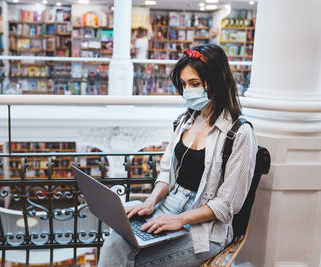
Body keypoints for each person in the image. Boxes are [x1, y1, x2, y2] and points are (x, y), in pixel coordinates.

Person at [98, 44, 258, 267]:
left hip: (205, 226)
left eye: (194, 84)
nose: (187, 91)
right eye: (183, 85)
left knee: (137, 261)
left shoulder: (240, 133)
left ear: (216, 83)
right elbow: (166, 174)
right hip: (168, 204)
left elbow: (227, 205)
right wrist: (151, 202)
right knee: (115, 243)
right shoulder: (185, 121)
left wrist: (180, 220)